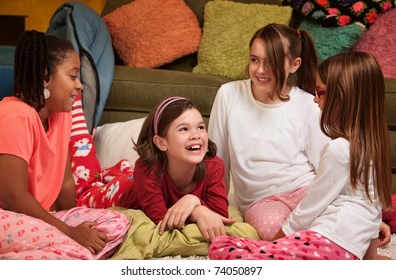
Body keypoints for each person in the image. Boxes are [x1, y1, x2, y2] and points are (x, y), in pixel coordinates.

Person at [208, 51, 393, 260]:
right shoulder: (372, 147)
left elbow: (310, 207)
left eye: (321, 92)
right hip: (343, 250)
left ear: (343, 97)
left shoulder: (338, 150)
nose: (315, 99)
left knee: (221, 247)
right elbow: (372, 206)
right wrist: (371, 257)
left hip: (324, 242)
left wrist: (277, 241)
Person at [0, 30, 130, 260]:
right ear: (45, 77)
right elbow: (11, 197)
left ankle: (58, 254)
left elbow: (64, 182)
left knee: (117, 221)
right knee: (75, 247)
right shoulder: (15, 116)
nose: (80, 85)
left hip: (35, 217)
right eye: (73, 76)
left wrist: (75, 219)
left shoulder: (62, 116)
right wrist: (70, 232)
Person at [208, 23, 330, 241]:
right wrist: (213, 208)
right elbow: (216, 160)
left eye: (271, 62)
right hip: (261, 201)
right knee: (277, 233)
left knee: (342, 219)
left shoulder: (308, 104)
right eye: (255, 59)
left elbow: (327, 167)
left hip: (306, 188)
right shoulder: (229, 95)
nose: (260, 70)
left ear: (294, 65)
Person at [119, 96, 234, 241]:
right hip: (118, 192)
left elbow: (220, 216)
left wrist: (193, 201)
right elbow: (162, 220)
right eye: (184, 129)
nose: (196, 135)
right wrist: (196, 210)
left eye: (200, 127)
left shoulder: (214, 166)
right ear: (161, 143)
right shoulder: (146, 169)